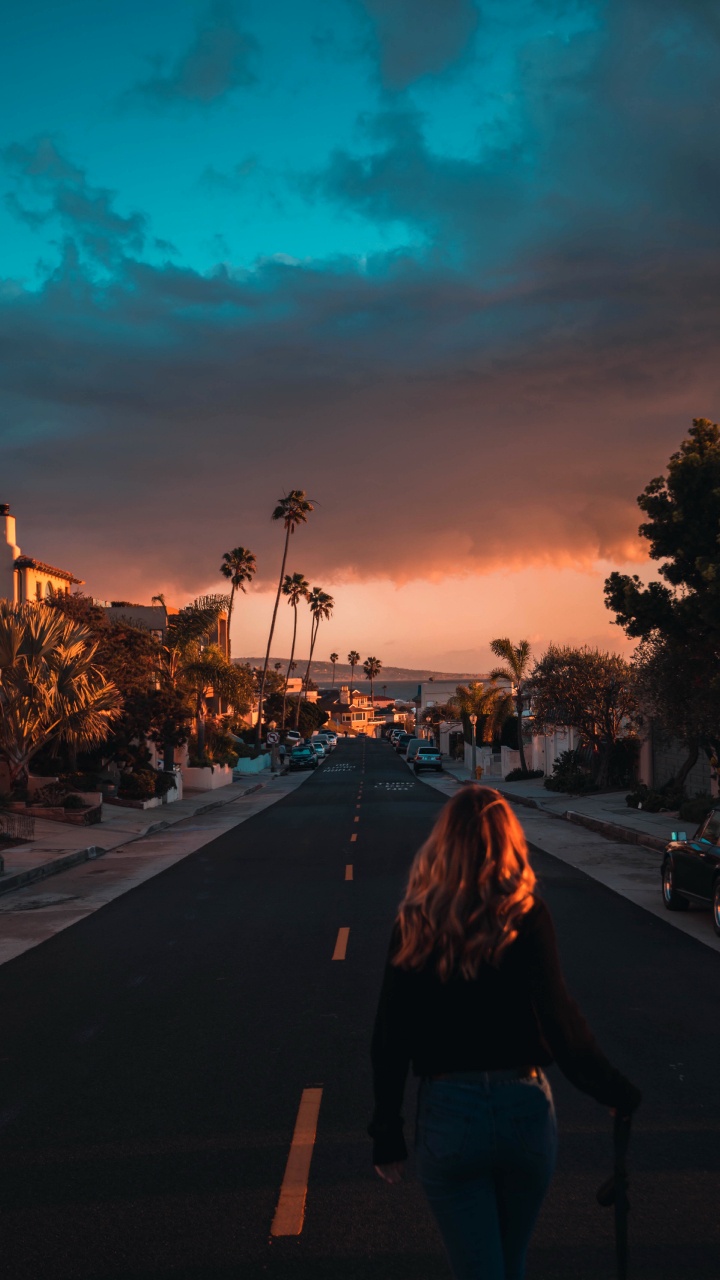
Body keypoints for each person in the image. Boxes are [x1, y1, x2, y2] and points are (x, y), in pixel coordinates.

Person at [369, 786, 641, 1280]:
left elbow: (391, 1035)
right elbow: (559, 1019)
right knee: (507, 1266)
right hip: (524, 1111)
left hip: (450, 1113)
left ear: (443, 844)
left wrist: (387, 1132)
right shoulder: (525, 913)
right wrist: (612, 1090)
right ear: (509, 841)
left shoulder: (416, 920)